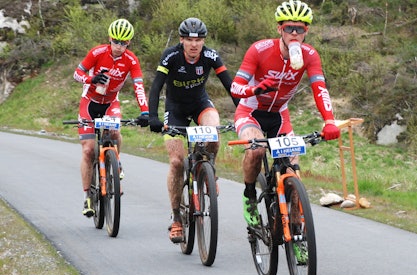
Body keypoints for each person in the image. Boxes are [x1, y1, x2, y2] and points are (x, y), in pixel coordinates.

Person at [230, 0, 341, 227]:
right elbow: (235, 87)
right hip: (251, 111)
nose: (293, 33)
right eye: (288, 27)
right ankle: (249, 196)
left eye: (299, 29)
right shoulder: (259, 49)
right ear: (279, 29)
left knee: (293, 172)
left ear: (305, 32)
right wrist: (256, 89)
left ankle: (297, 232)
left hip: (280, 116)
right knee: (256, 150)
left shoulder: (310, 55)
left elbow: (319, 88)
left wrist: (329, 121)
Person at [147, 17, 239, 243]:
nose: (194, 44)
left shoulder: (210, 56)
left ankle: (209, 170)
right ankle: (177, 217)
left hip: (200, 104)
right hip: (175, 109)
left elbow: (230, 85)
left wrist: (242, 112)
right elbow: (157, 85)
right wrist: (152, 116)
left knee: (213, 131)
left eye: (198, 40)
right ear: (181, 40)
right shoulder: (171, 56)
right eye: (189, 40)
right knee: (177, 162)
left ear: (203, 41)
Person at [73, 18, 150, 217]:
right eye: (115, 41)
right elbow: (77, 73)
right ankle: (87, 197)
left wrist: (145, 111)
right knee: (89, 151)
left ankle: (116, 162)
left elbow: (138, 86)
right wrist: (91, 79)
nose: (118, 46)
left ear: (129, 43)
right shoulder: (97, 52)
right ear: (110, 38)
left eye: (123, 43)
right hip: (89, 103)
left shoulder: (131, 60)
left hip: (110, 103)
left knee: (115, 131)